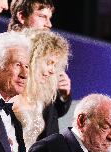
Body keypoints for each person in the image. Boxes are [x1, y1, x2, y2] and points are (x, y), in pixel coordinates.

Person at [8, 0, 72, 142]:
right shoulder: (4, 51)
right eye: (42, 17)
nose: (48, 25)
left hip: (45, 145)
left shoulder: (50, 51)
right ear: (22, 16)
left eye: (49, 18)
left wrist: (64, 96)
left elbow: (55, 111)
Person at [11, 29, 70, 150]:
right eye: (49, 63)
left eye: (55, 65)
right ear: (33, 59)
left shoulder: (40, 97)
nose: (52, 70)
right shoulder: (10, 94)